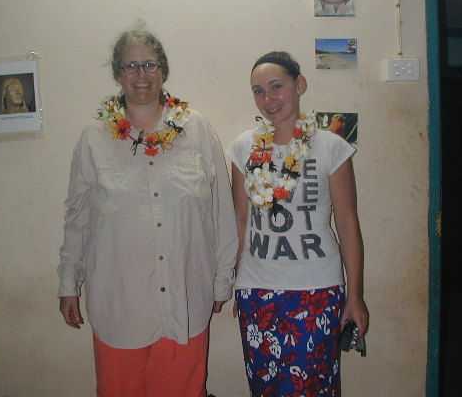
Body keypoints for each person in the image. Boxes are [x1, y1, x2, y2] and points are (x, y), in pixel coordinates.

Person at [58, 24, 238, 397]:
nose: (141, 75)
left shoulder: (197, 129)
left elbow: (221, 211)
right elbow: (77, 219)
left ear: (163, 70)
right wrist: (67, 284)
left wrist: (222, 279)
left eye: (150, 65)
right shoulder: (93, 138)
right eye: (131, 66)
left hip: (185, 300)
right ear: (117, 73)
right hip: (119, 303)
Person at [226, 51, 369, 396]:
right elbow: (240, 220)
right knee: (265, 387)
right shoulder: (244, 148)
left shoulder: (331, 146)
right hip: (256, 291)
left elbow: (348, 223)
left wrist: (356, 294)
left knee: (311, 387)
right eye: (258, 91)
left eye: (277, 87)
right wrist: (235, 280)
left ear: (299, 85)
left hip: (316, 288)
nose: (268, 99)